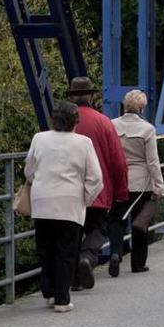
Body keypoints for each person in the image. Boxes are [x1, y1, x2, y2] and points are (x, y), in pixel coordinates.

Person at [25, 101, 103, 313]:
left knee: (46, 249)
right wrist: (85, 199)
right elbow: (96, 178)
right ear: (75, 122)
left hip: (42, 202)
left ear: (53, 120)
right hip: (70, 203)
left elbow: (29, 171)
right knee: (67, 251)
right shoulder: (83, 142)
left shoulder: (39, 139)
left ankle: (49, 291)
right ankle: (62, 299)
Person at [67, 76, 128, 290]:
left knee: (73, 232)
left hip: (68, 190)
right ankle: (87, 256)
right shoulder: (104, 122)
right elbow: (118, 162)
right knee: (97, 229)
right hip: (98, 190)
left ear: (72, 96)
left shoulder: (63, 123)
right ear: (92, 96)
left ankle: (74, 281)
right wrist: (121, 192)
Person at [107, 90, 164, 276]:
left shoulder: (112, 126)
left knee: (116, 219)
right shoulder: (147, 129)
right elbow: (152, 161)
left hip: (118, 180)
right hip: (141, 183)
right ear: (142, 107)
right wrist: (158, 185)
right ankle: (138, 264)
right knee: (140, 223)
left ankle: (116, 252)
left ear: (124, 105)